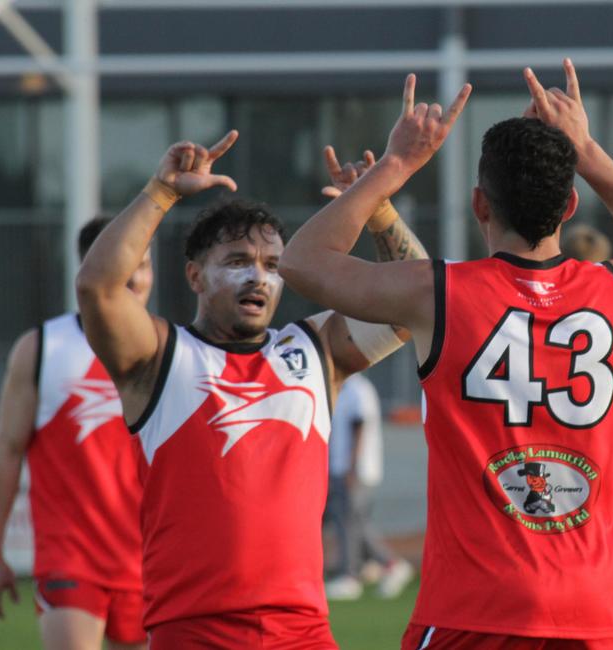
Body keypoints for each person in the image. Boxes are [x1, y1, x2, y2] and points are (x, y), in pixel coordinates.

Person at [279, 58, 613, 648]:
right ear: (569, 208)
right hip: (594, 609)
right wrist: (586, 150)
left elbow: (302, 261)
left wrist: (395, 166)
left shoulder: (438, 292)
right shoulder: (609, 293)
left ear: (479, 204)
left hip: (474, 608)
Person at [75, 131, 427, 649]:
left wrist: (379, 212)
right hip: (193, 633)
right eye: (237, 261)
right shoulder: (158, 356)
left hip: (302, 633)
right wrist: (161, 191)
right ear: (195, 276)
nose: (258, 278)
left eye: (271, 266)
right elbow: (97, 288)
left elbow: (413, 300)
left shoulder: (316, 349)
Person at [0, 216, 152, 650]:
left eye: (144, 265)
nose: (135, 278)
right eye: (122, 266)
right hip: (71, 557)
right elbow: (6, 451)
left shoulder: (170, 350)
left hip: (151, 561)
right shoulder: (42, 348)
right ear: (90, 273)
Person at [324, 372, 415, 600]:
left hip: (354, 469)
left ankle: (350, 575)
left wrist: (352, 466)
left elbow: (359, 428)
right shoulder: (343, 389)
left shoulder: (357, 389)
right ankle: (391, 564)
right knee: (354, 521)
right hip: (339, 466)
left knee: (349, 521)